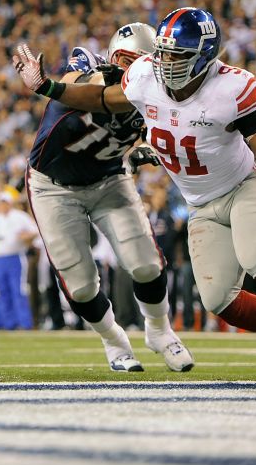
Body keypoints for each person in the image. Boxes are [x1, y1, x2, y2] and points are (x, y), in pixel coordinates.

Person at [12, 6, 256, 378]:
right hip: (200, 205)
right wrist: (48, 86)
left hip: (243, 187)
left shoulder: (231, 88)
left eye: (177, 56)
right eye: (162, 52)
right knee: (219, 301)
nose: (165, 62)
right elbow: (102, 99)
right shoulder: (143, 76)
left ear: (204, 57)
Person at [23, 24, 194, 372]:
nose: (139, 72)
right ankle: (114, 342)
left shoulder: (158, 93)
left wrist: (141, 149)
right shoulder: (90, 73)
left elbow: (154, 133)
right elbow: (75, 85)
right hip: (53, 185)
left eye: (146, 63)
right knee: (81, 285)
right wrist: (47, 85)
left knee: (145, 261)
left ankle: (160, 331)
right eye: (130, 63)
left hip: (108, 179)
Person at [0, 192, 39, 330]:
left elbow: (34, 231)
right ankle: (8, 323)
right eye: (1, 202)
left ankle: (24, 323)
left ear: (10, 203)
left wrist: (26, 237)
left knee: (19, 290)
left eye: (5, 202)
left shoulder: (20, 216)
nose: (3, 205)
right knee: (2, 291)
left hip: (15, 257)